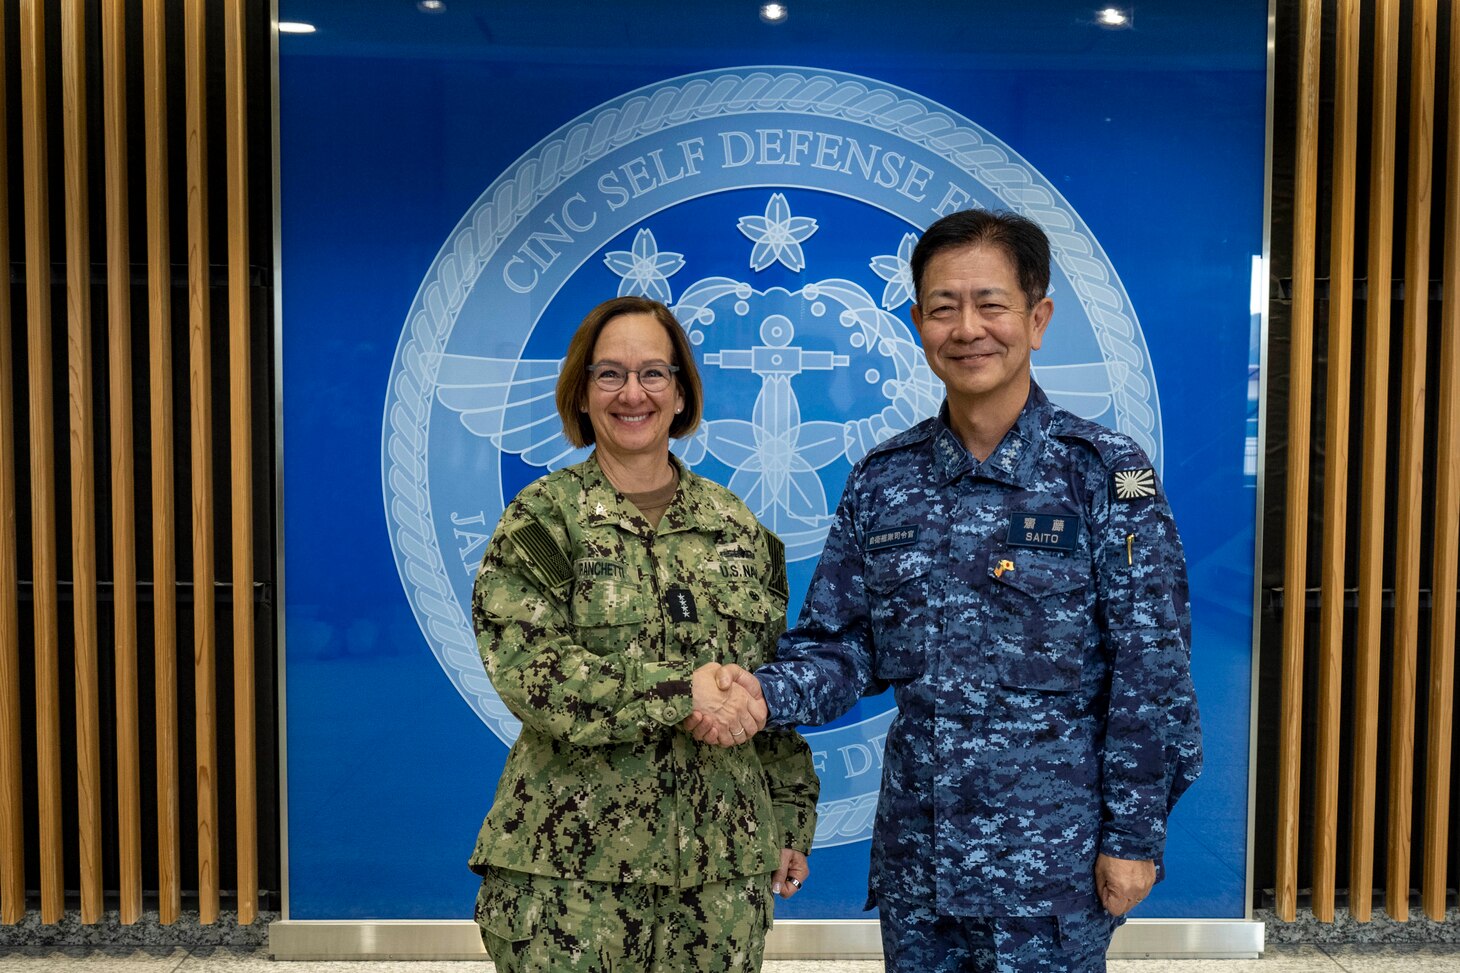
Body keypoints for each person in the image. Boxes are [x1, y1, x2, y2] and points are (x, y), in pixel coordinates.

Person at [702, 210, 1201, 972]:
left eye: (990, 304)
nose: (967, 328)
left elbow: (1152, 673)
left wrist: (1133, 838)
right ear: (917, 324)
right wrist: (762, 695)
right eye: (944, 307)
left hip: (1051, 876)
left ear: (1037, 319)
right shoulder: (883, 481)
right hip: (921, 873)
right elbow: (843, 645)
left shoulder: (1102, 474)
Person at [466, 295, 819, 973]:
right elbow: (531, 672)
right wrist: (679, 693)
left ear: (681, 393)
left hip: (718, 881)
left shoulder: (736, 527)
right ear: (582, 393)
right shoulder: (542, 521)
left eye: (654, 373)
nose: (633, 393)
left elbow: (766, 686)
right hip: (573, 878)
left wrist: (787, 811)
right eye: (610, 374)